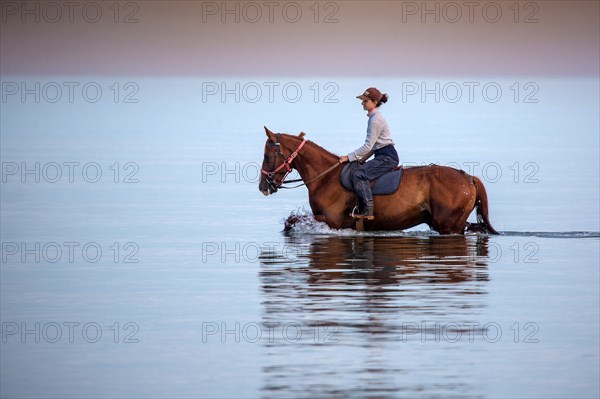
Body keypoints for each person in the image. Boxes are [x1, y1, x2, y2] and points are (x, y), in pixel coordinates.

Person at [338, 87, 399, 220]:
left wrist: (348, 157)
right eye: (363, 101)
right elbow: (374, 147)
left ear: (374, 102)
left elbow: (367, 146)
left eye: (365, 101)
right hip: (382, 153)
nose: (362, 103)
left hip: (387, 157)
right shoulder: (374, 117)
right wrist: (359, 160)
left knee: (359, 175)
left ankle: (368, 211)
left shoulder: (375, 120)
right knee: (359, 168)